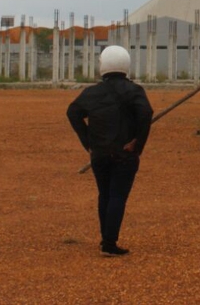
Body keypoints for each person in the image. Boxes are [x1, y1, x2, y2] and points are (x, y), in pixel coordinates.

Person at [67, 45, 153, 256]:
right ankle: (109, 243)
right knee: (117, 196)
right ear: (126, 65)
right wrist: (137, 143)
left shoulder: (92, 92)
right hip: (125, 154)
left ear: (103, 65)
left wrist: (88, 141)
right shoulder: (134, 91)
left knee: (104, 194)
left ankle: (106, 238)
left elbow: (73, 113)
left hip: (99, 154)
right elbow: (146, 113)